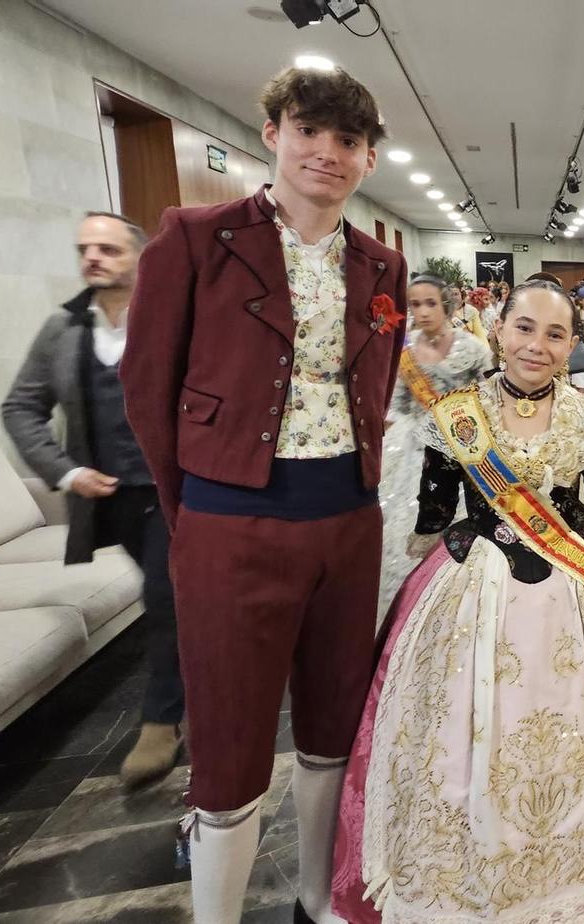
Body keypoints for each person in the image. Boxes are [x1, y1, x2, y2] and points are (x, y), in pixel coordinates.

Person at [120, 65, 404, 924]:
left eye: (347, 140)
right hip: (230, 518)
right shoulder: (196, 238)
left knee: (333, 726)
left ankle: (319, 902)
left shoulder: (380, 262)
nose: (327, 152)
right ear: (274, 132)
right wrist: (198, 508)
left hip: (349, 522)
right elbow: (147, 386)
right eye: (309, 130)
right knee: (231, 740)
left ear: (368, 159)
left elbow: (379, 382)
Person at [330, 281, 584, 923]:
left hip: (576, 600)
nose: (537, 346)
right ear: (498, 330)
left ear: (574, 345)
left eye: (555, 334)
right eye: (525, 328)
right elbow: (435, 518)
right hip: (474, 596)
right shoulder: (458, 415)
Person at [2, 211, 182, 790]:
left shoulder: (174, 319)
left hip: (178, 489)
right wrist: (65, 471)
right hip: (113, 496)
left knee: (165, 596)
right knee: (173, 598)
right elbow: (20, 408)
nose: (93, 258)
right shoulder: (64, 330)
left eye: (107, 248)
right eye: (85, 249)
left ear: (140, 257)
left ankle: (162, 719)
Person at [379, 276, 491, 604]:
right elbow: (399, 404)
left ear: (448, 305)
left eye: (431, 303)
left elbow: (489, 398)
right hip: (416, 451)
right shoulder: (406, 350)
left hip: (466, 450)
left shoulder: (472, 348)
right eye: (415, 304)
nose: (423, 311)